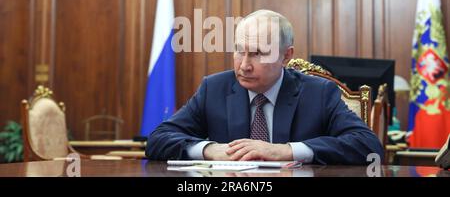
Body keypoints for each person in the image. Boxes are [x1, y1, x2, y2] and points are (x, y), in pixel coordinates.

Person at [145, 10, 383, 165]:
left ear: (286, 56)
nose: (244, 65)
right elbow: (157, 140)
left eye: (258, 54)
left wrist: (288, 151)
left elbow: (368, 146)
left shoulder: (318, 93)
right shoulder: (214, 88)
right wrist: (209, 149)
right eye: (239, 50)